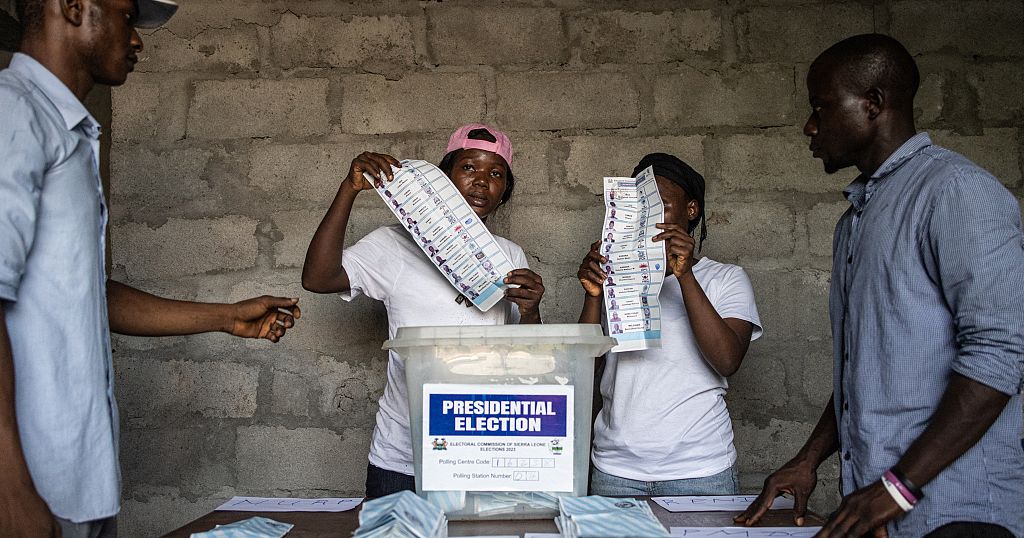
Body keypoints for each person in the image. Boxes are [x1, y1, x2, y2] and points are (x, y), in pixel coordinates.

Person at [0, 1, 302, 536]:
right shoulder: (13, 115)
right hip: (30, 489)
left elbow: (82, 295)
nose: (137, 41)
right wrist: (10, 488)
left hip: (77, 485)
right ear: (73, 8)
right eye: (125, 16)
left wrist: (226, 317)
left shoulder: (68, 130)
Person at [736, 34, 1024, 538]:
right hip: (884, 511)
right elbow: (863, 373)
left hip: (958, 513)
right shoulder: (856, 220)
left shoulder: (955, 191)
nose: (810, 126)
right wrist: (809, 459)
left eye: (822, 107)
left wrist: (898, 487)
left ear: (874, 104)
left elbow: (1002, 352)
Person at [302, 123, 545, 498]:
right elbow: (318, 278)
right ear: (443, 179)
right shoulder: (393, 246)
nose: (482, 182)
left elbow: (528, 363)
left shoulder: (509, 257)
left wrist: (531, 312)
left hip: (482, 454)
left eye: (496, 174)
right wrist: (349, 190)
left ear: (504, 193)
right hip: (403, 458)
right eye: (468, 168)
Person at [578, 153, 762, 496]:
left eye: (659, 205)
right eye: (638, 207)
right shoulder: (617, 279)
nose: (647, 218)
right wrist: (593, 296)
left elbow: (727, 360)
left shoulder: (725, 278)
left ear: (690, 211)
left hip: (700, 468)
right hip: (616, 469)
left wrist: (685, 274)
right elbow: (586, 371)